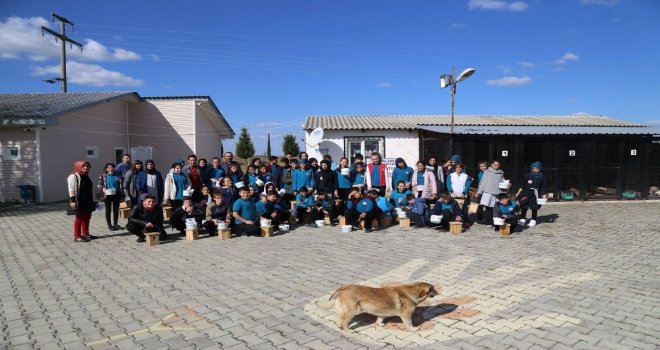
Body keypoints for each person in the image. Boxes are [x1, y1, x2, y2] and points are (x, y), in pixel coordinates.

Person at [67, 161, 95, 242]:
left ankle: (86, 234)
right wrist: (72, 200)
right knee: (79, 218)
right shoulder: (74, 176)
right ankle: (77, 236)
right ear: (79, 166)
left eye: (87, 166)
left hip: (88, 200)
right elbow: (71, 189)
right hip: (79, 200)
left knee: (87, 217)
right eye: (83, 166)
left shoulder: (86, 175)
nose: (86, 167)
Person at [515, 161, 547, 228]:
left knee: (534, 207)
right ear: (531, 169)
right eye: (534, 169)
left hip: (536, 193)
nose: (535, 170)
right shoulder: (527, 175)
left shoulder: (542, 177)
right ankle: (522, 219)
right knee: (524, 206)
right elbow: (522, 185)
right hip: (526, 193)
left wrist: (543, 195)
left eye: (537, 169)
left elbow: (543, 187)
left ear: (540, 169)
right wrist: (518, 193)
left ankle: (533, 220)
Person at [476, 160, 507, 226]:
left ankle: (496, 221)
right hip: (489, 192)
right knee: (488, 208)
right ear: (491, 165)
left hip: (497, 192)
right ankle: (489, 221)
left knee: (496, 207)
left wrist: (506, 185)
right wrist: (479, 191)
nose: (496, 166)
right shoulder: (487, 172)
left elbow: (502, 181)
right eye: (495, 165)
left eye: (498, 165)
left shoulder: (501, 172)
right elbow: (482, 182)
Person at [97, 163, 124, 231]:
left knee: (116, 210)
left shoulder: (119, 176)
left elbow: (122, 186)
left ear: (114, 168)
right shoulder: (103, 176)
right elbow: (99, 185)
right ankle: (109, 225)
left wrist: (123, 195)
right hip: (107, 194)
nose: (110, 169)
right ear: (106, 169)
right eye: (109, 167)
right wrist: (103, 188)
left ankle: (115, 224)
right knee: (108, 210)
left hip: (116, 194)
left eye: (112, 167)